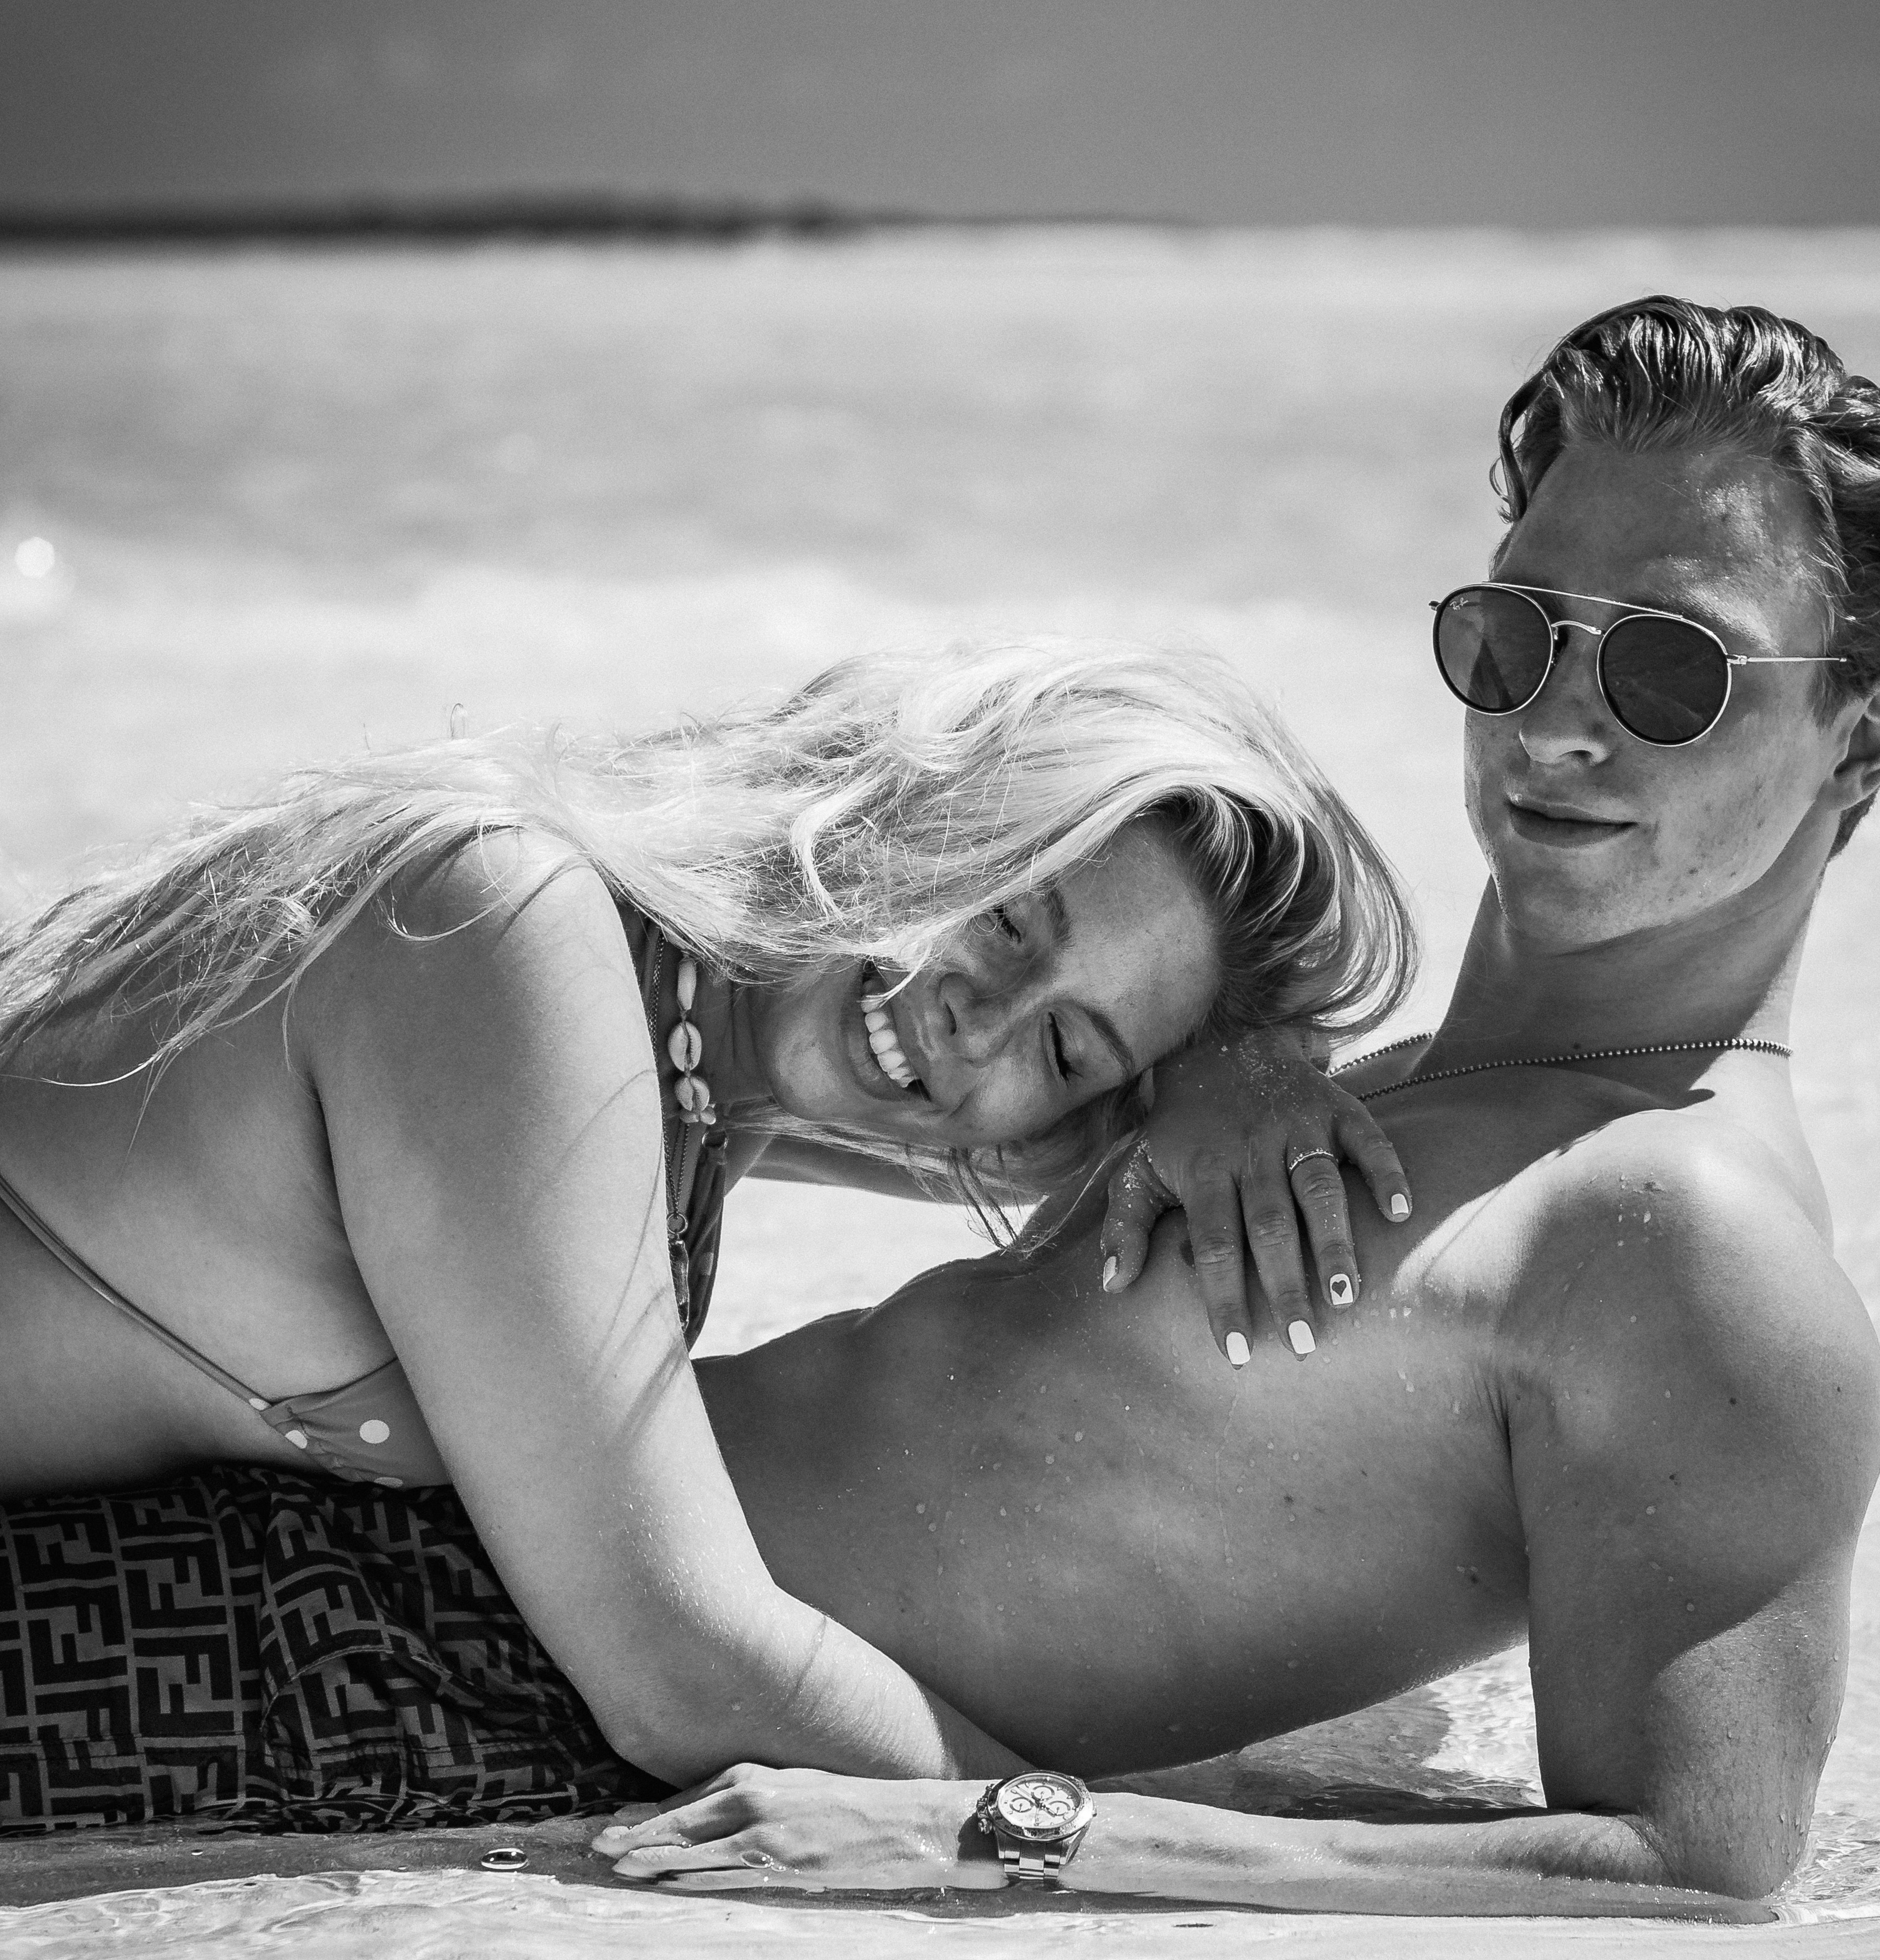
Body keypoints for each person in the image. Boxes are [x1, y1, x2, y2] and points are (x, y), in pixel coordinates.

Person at [589, 293, 1880, 1908]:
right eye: (1518, 631)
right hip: (522, 1543)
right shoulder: (1393, 1096)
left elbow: (1696, 1871)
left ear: (1858, 733)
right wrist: (1235, 1045)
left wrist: (984, 1832)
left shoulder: (1695, 1240)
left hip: (570, 1711)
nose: (1555, 723)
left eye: (1670, 669)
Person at [0, 641, 1413, 1818]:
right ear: (911, 793)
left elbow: (1079, 1154)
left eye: (1067, 1047)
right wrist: (1085, 1844)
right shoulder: (503, 932)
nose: (977, 1022)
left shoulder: (709, 1053)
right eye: (1004, 911)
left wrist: (1245, 1056)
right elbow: (673, 1667)